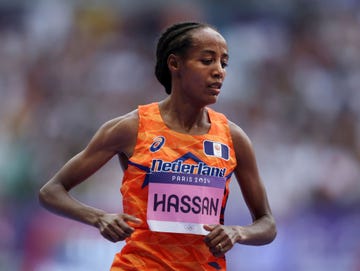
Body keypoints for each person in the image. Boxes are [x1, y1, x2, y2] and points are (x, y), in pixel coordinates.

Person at [39, 21, 276, 270]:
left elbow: (267, 223)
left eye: (223, 63)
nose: (219, 71)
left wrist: (237, 232)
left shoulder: (233, 138)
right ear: (175, 64)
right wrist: (99, 218)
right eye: (207, 61)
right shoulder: (132, 128)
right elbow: (51, 191)